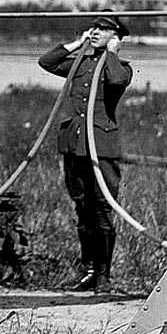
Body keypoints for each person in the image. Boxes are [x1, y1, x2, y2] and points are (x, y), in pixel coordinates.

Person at [39, 15, 133, 292]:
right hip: (73, 145)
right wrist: (76, 44)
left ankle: (103, 276)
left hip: (101, 148)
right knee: (83, 209)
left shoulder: (121, 67)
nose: (95, 32)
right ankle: (88, 270)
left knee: (103, 210)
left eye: (103, 29)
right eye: (94, 27)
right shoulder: (80, 63)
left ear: (116, 36)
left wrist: (113, 52)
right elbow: (47, 62)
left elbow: (115, 81)